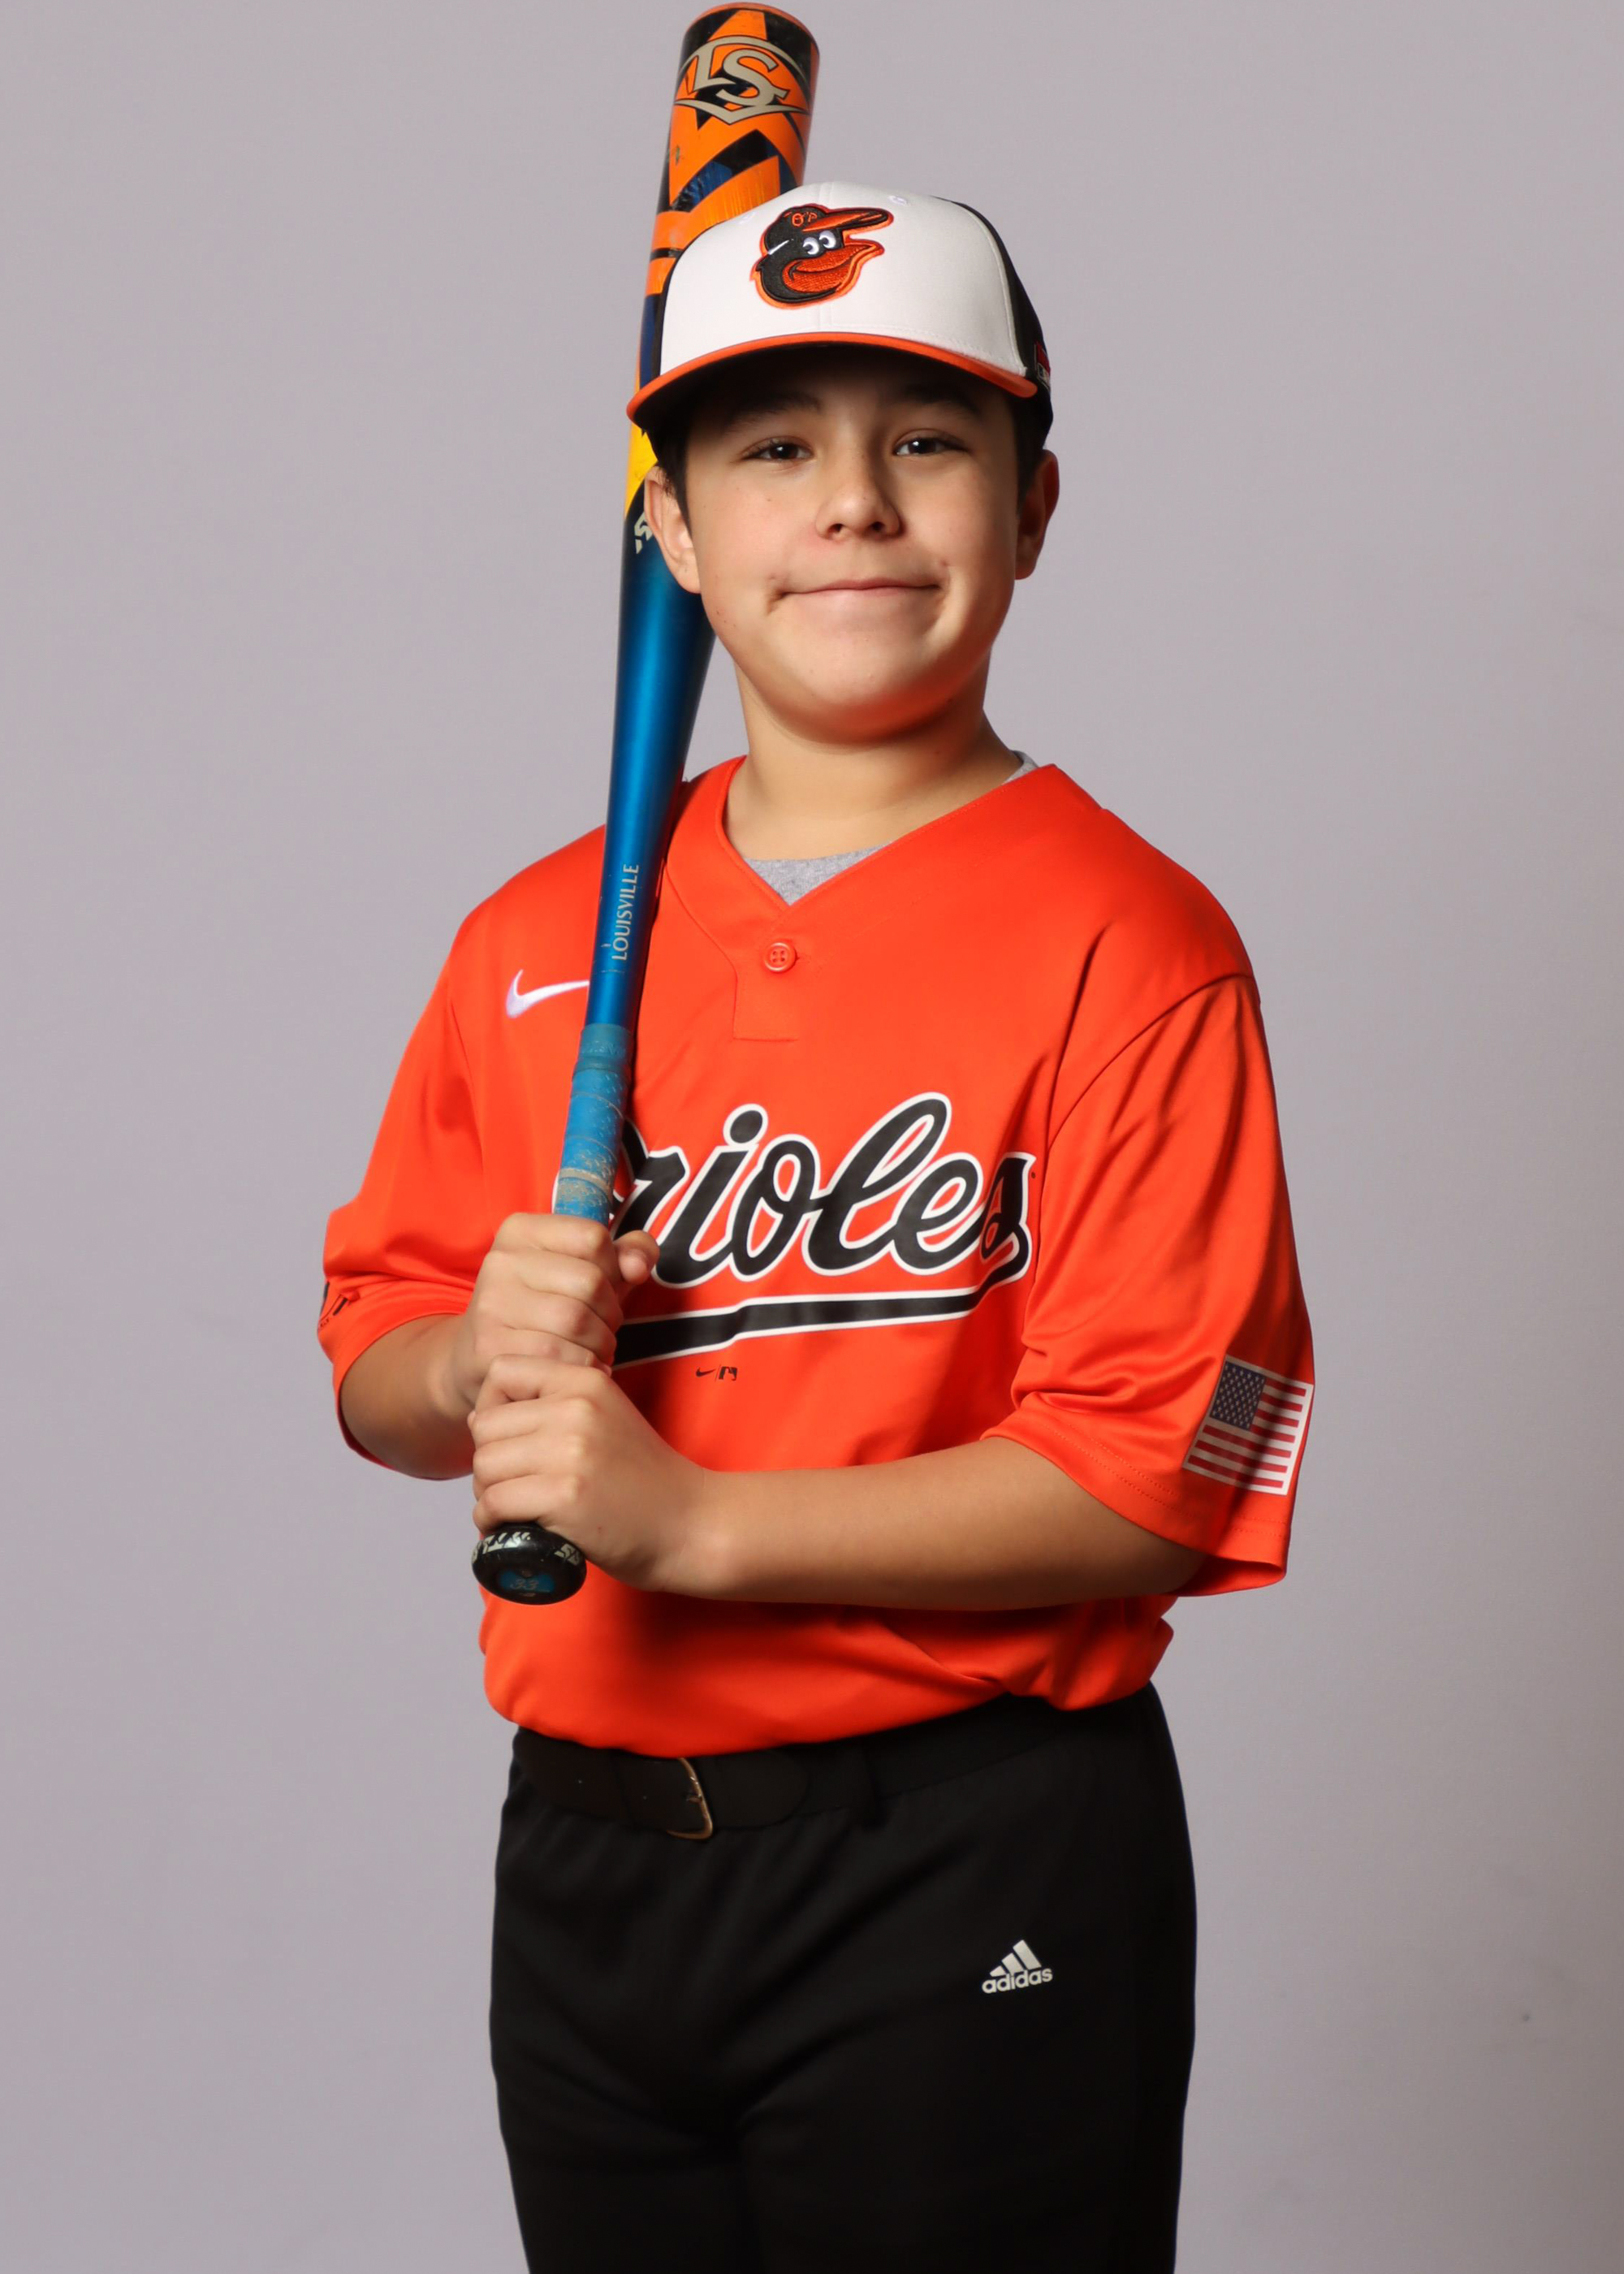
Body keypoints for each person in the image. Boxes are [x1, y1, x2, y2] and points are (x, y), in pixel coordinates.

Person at [318, 184, 1315, 2274]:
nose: (853, 498)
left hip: (962, 1841)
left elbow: (1153, 1476)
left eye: (926, 438)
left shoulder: (1131, 942)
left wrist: (694, 1522)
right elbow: (380, 1368)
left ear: (1034, 509)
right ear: (671, 534)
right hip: (585, 1857)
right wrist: (470, 1351)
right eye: (773, 445)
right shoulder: (528, 940)